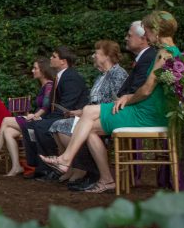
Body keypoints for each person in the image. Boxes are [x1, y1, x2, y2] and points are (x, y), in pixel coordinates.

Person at [42, 11, 184, 194]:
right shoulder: (171, 52)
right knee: (89, 128)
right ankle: (105, 179)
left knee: (88, 112)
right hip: (150, 109)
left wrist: (128, 99)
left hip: (149, 112)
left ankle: (66, 160)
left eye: (147, 31)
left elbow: (146, 89)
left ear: (156, 31)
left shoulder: (164, 54)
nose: (146, 35)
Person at [50, 40, 127, 187]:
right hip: (93, 115)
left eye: (96, 53)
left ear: (107, 56)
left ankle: (85, 170)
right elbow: (93, 103)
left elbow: (117, 102)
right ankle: (75, 168)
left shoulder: (118, 74)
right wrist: (78, 112)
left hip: (107, 116)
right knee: (58, 125)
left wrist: (90, 113)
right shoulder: (101, 76)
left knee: (63, 128)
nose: (93, 56)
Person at [23, 46, 89, 179]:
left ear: (63, 61)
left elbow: (67, 105)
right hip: (59, 115)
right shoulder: (61, 77)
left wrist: (44, 119)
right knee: (28, 125)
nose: (50, 59)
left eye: (54, 57)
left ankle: (49, 169)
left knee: (40, 126)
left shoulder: (71, 77)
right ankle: (36, 166)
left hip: (72, 116)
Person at [0, 58, 55, 176]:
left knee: (6, 120)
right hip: (36, 119)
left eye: (35, 68)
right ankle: (16, 166)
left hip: (42, 121)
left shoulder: (49, 85)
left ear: (43, 70)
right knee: (8, 132)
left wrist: (35, 115)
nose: (32, 70)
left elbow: (46, 106)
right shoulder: (43, 86)